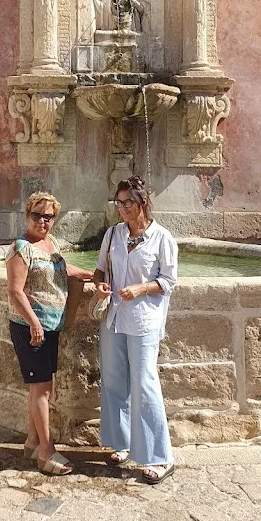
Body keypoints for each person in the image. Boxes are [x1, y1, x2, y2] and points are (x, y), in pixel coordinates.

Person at [93, 176, 178, 484]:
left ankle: (160, 457)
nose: (122, 209)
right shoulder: (113, 234)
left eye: (127, 203)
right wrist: (101, 284)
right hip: (114, 316)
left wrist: (142, 288)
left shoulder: (162, 238)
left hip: (144, 320)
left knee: (144, 383)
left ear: (142, 203)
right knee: (114, 380)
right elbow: (100, 268)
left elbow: (168, 282)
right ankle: (121, 442)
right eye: (119, 203)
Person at [5, 192, 92, 476]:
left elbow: (64, 269)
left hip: (50, 325)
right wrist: (34, 323)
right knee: (42, 390)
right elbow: (15, 292)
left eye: (48, 217)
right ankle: (46, 451)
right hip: (32, 328)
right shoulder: (21, 248)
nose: (43, 221)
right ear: (27, 215)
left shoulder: (50, 244)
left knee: (41, 387)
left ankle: (32, 442)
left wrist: (94, 275)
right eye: (37, 216)